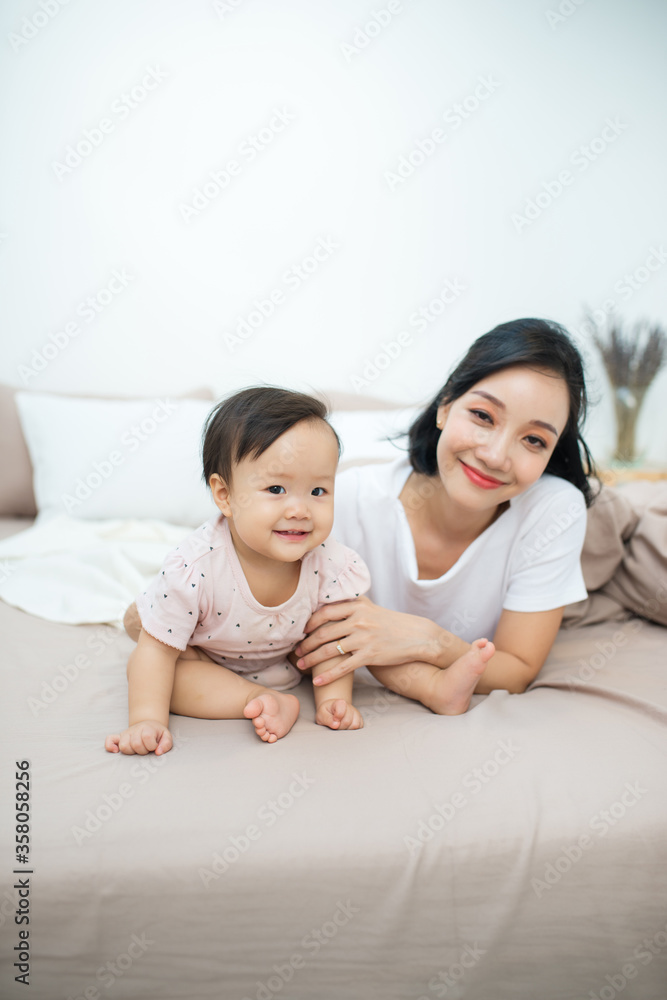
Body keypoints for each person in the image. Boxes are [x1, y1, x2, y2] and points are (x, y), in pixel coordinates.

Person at [295, 318, 598, 713]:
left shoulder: (554, 509)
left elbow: (518, 669)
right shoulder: (345, 499)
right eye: (483, 416)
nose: (494, 456)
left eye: (534, 440)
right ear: (445, 405)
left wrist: (427, 638)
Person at [105, 387, 374, 754]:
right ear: (225, 496)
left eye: (318, 491)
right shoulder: (195, 567)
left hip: (286, 660)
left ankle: (285, 698)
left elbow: (332, 642)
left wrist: (334, 700)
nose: (300, 509)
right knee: (145, 666)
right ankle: (259, 699)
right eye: (276, 488)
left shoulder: (330, 564)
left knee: (338, 634)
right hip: (204, 658)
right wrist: (146, 720)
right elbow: (158, 650)